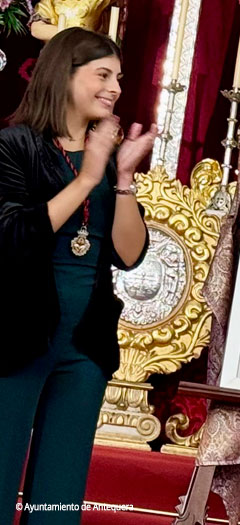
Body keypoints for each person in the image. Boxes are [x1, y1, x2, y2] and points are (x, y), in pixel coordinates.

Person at [0, 28, 155, 524]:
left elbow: (129, 256)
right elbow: (12, 236)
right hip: (16, 334)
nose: (115, 88)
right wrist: (88, 177)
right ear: (64, 75)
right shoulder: (14, 145)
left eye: (120, 78)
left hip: (85, 343)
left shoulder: (105, 159)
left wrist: (122, 178)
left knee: (59, 497)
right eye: (103, 75)